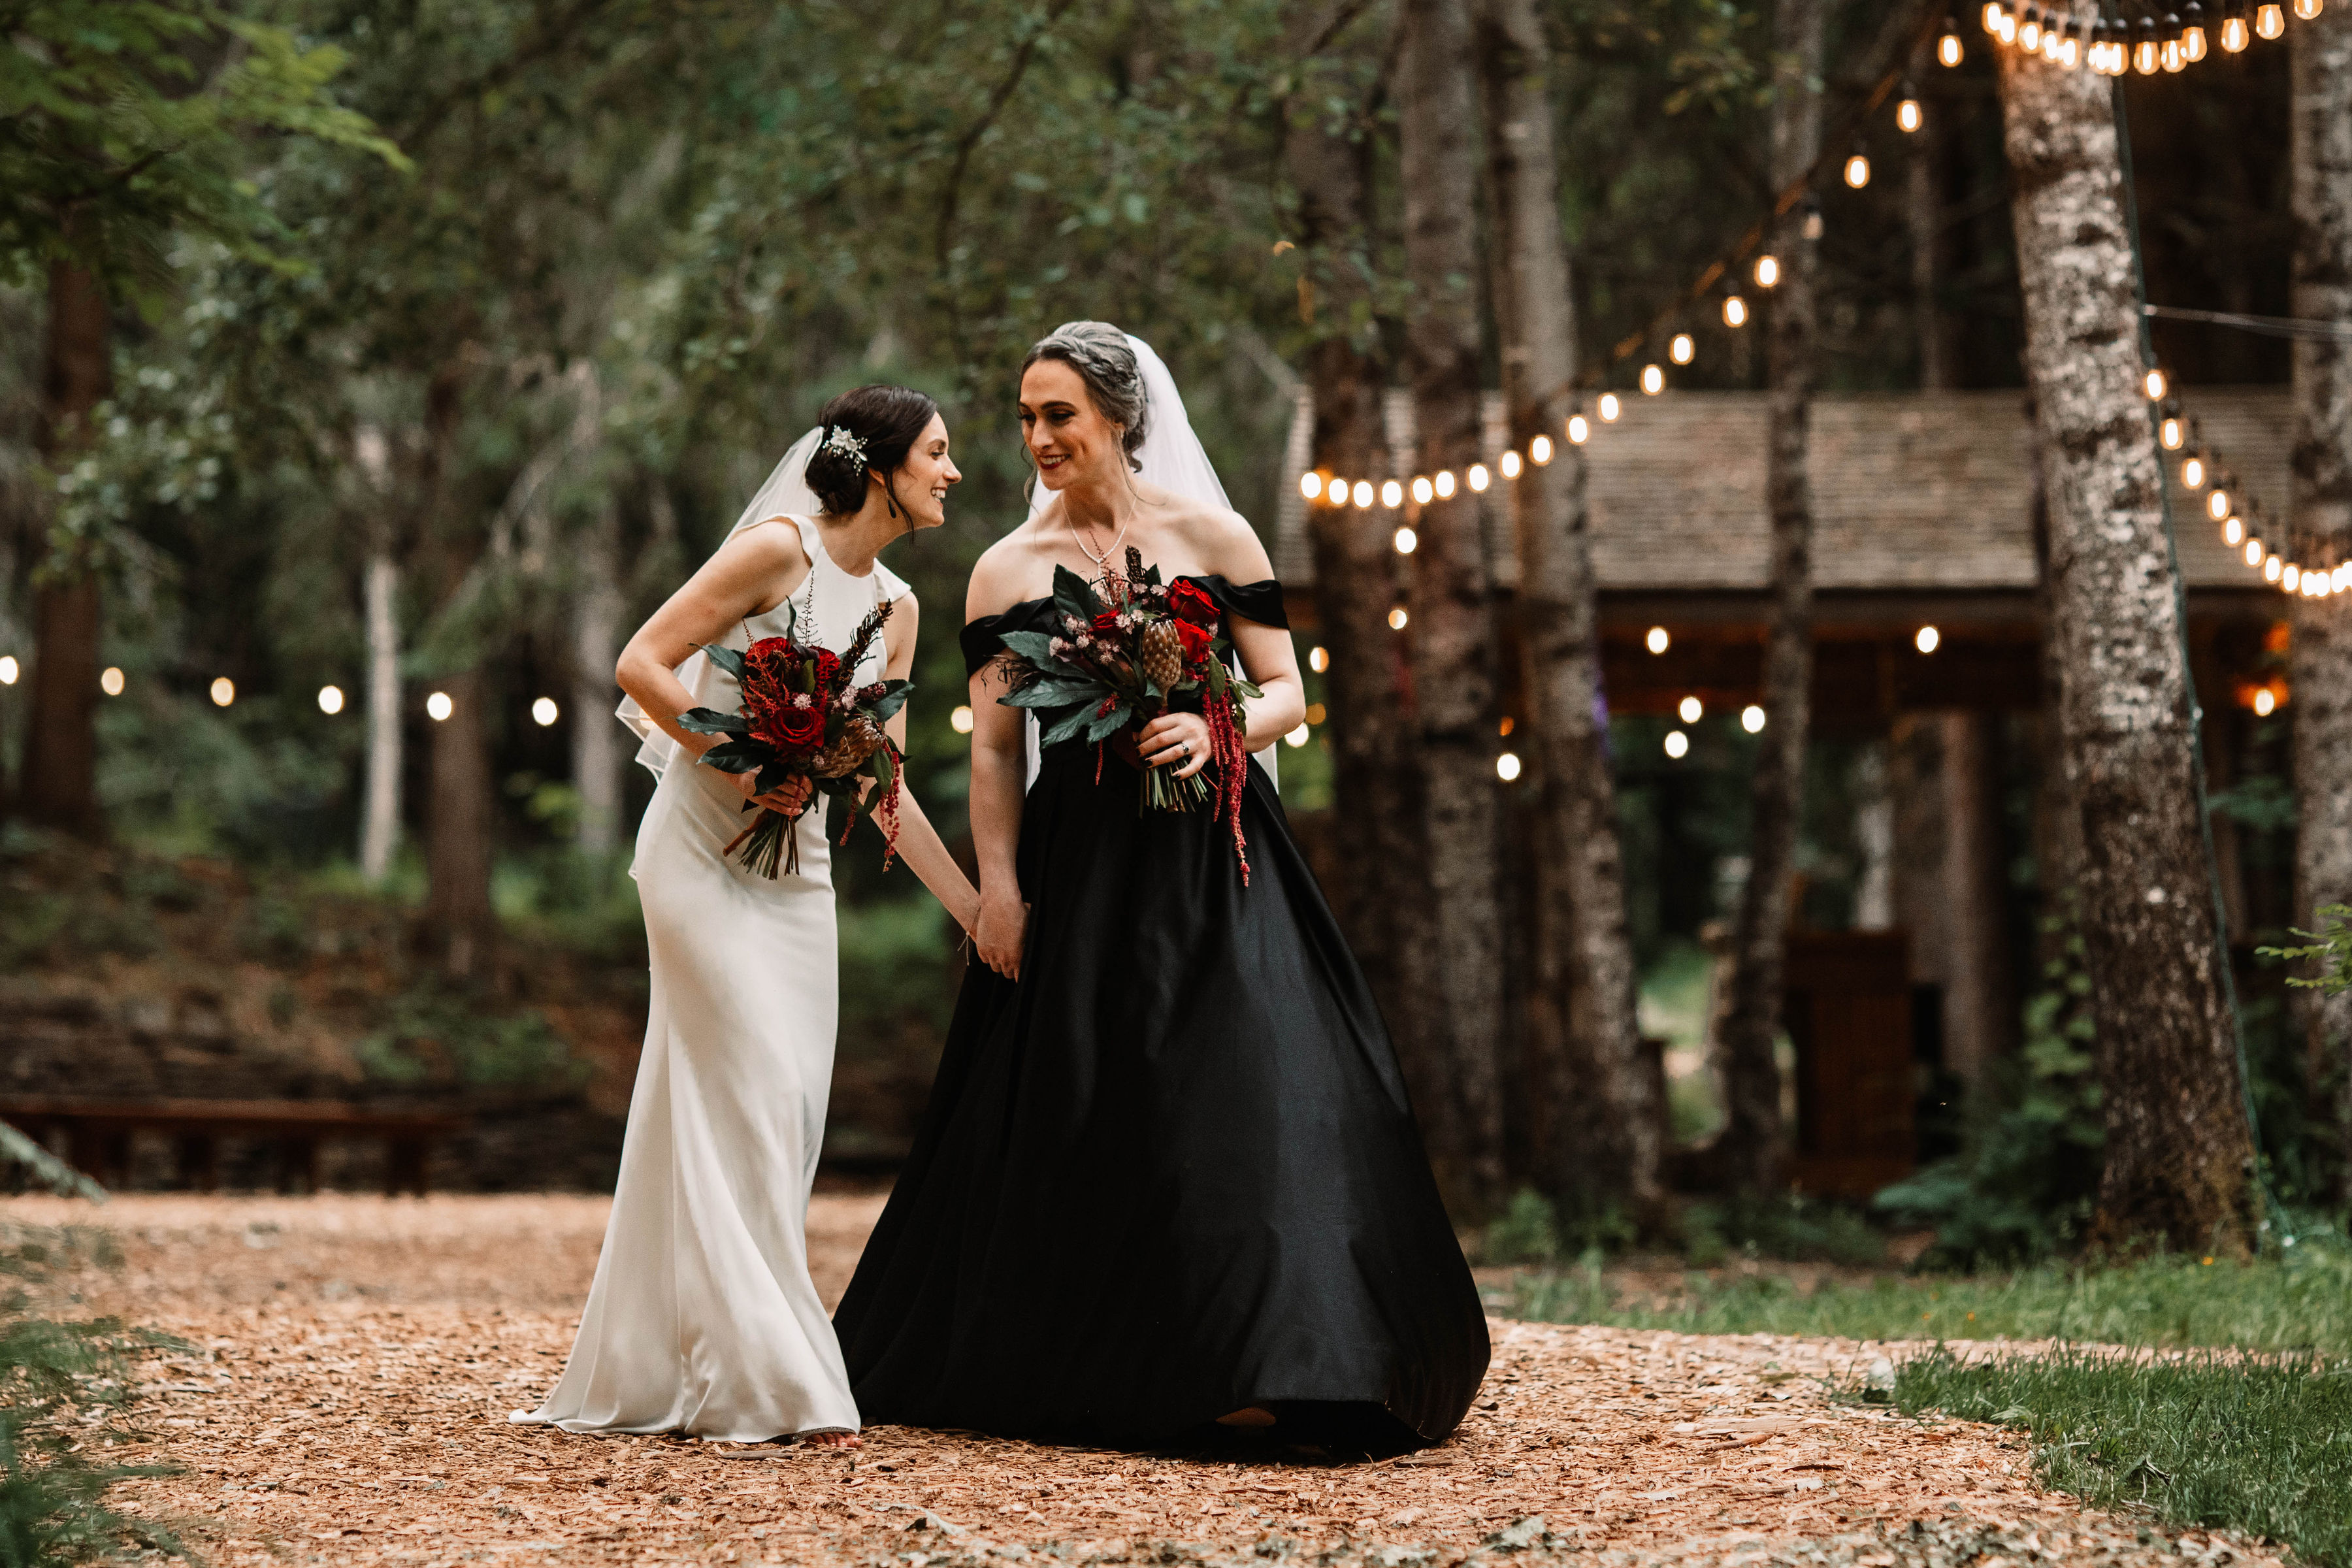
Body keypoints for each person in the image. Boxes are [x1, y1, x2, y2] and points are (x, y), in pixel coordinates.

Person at [832, 325, 1488, 1452]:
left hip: (1214, 856)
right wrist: (997, 889)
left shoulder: (1214, 536)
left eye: (1060, 417)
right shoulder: (1005, 568)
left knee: (1251, 1089)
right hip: (1076, 867)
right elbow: (993, 751)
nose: (1036, 438)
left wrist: (1217, 717)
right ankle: (1109, 1358)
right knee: (1091, 1098)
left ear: (1121, 419)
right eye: (1026, 417)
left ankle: (1284, 1354)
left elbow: (1288, 691)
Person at [513, 386, 980, 1448]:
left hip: (796, 877)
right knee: (751, 1093)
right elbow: (641, 661)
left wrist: (979, 912)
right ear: (880, 467)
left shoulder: (898, 612)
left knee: (784, 1113)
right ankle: (768, 1378)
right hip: (697, 861)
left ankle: (679, 1360)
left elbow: (877, 783)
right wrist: (746, 754)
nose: (955, 474)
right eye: (940, 455)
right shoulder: (779, 551)